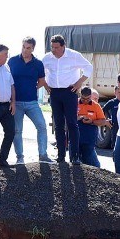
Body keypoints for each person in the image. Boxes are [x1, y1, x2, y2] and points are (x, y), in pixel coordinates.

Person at [43, 35, 93, 163]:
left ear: (63, 46)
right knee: (58, 125)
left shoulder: (74, 55)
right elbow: (40, 72)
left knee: (72, 123)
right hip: (54, 93)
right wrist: (45, 85)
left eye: (56, 47)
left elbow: (89, 67)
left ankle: (75, 156)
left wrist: (79, 82)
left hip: (70, 92)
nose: (54, 50)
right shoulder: (47, 57)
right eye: (52, 47)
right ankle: (60, 156)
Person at [9, 36, 49, 162]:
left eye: (28, 48)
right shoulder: (12, 61)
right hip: (16, 102)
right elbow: (7, 80)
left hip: (32, 102)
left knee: (42, 126)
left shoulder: (38, 64)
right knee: (17, 130)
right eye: (23, 47)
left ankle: (43, 155)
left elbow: (42, 81)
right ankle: (19, 157)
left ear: (33, 49)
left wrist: (33, 88)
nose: (25, 50)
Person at [74, 87, 104, 167]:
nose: (85, 101)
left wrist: (92, 121)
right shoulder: (74, 103)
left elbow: (102, 121)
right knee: (75, 160)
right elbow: (67, 117)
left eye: (88, 99)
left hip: (89, 135)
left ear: (90, 96)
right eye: (83, 98)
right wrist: (79, 118)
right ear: (80, 95)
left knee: (89, 158)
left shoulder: (96, 106)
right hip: (76, 134)